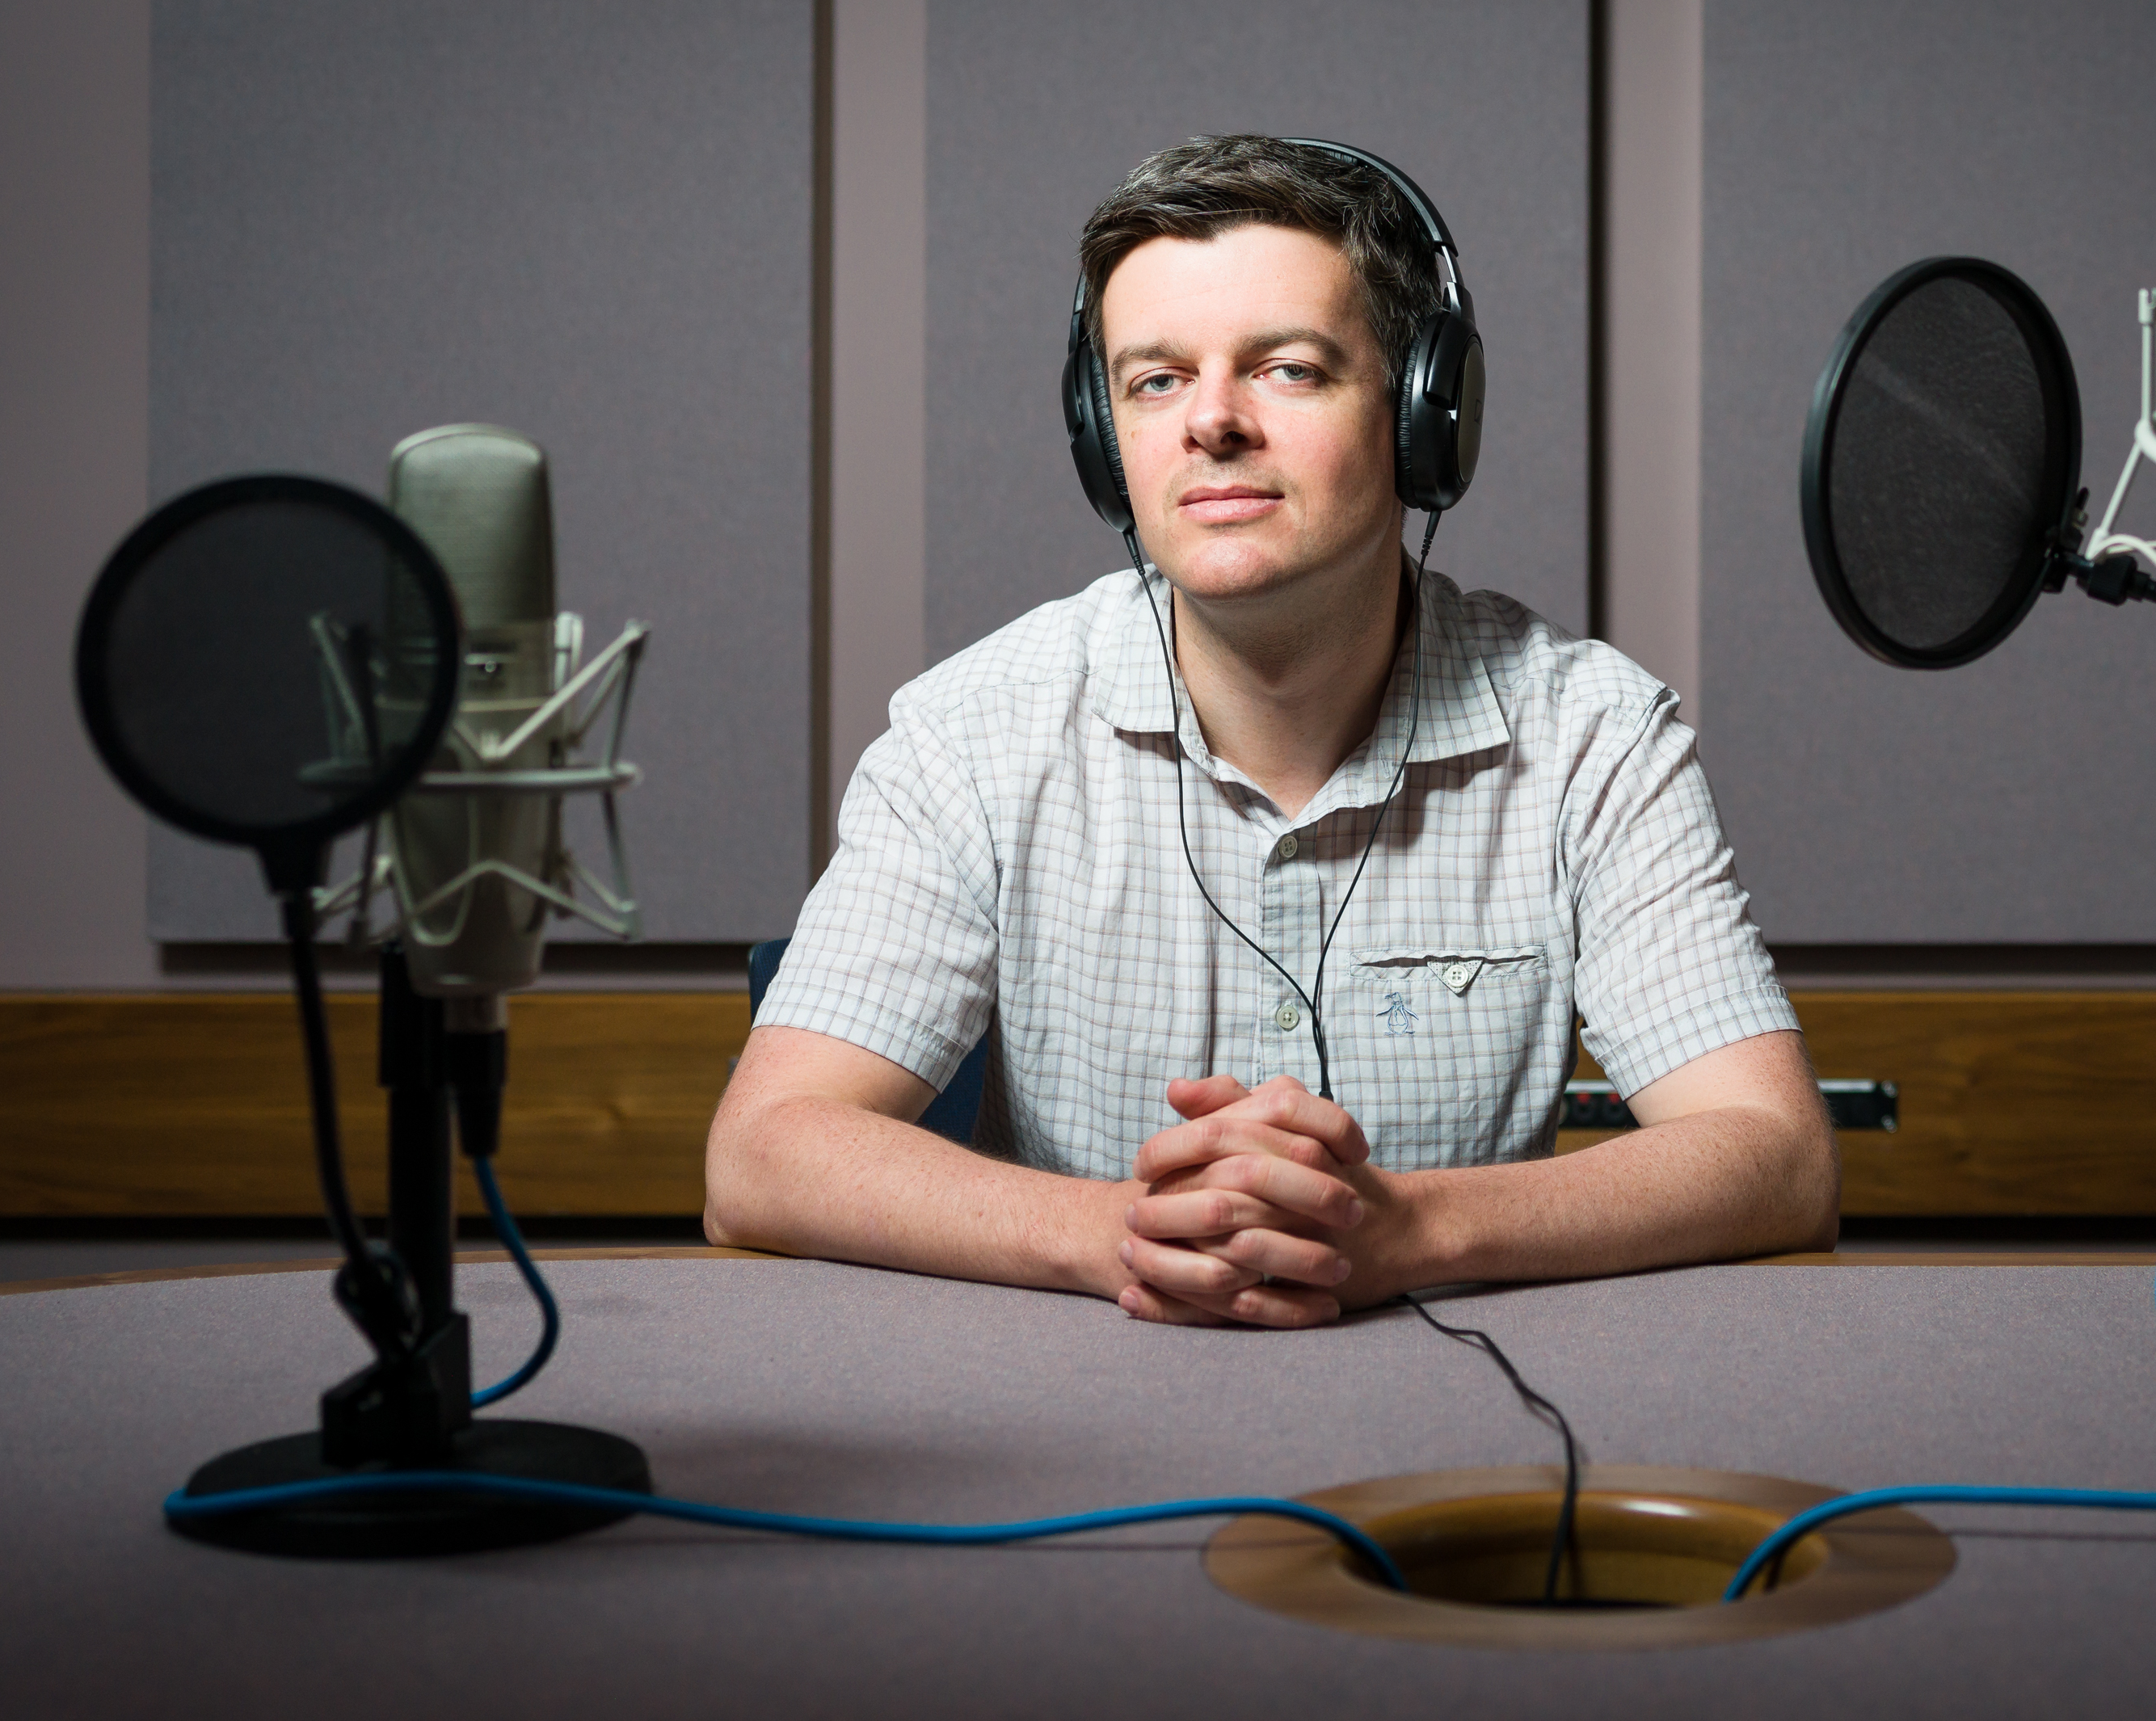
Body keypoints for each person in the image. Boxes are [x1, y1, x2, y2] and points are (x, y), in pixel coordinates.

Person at [704, 135, 1834, 1327]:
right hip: (1067, 1443)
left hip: (1450, 1453)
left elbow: (1779, 1155)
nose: (1212, 423)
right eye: (1154, 380)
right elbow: (761, 1153)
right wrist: (1113, 1233)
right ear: (1105, 441)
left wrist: (1409, 1228)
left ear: (1420, 416)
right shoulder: (971, 736)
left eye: (1287, 369)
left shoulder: (1595, 738)